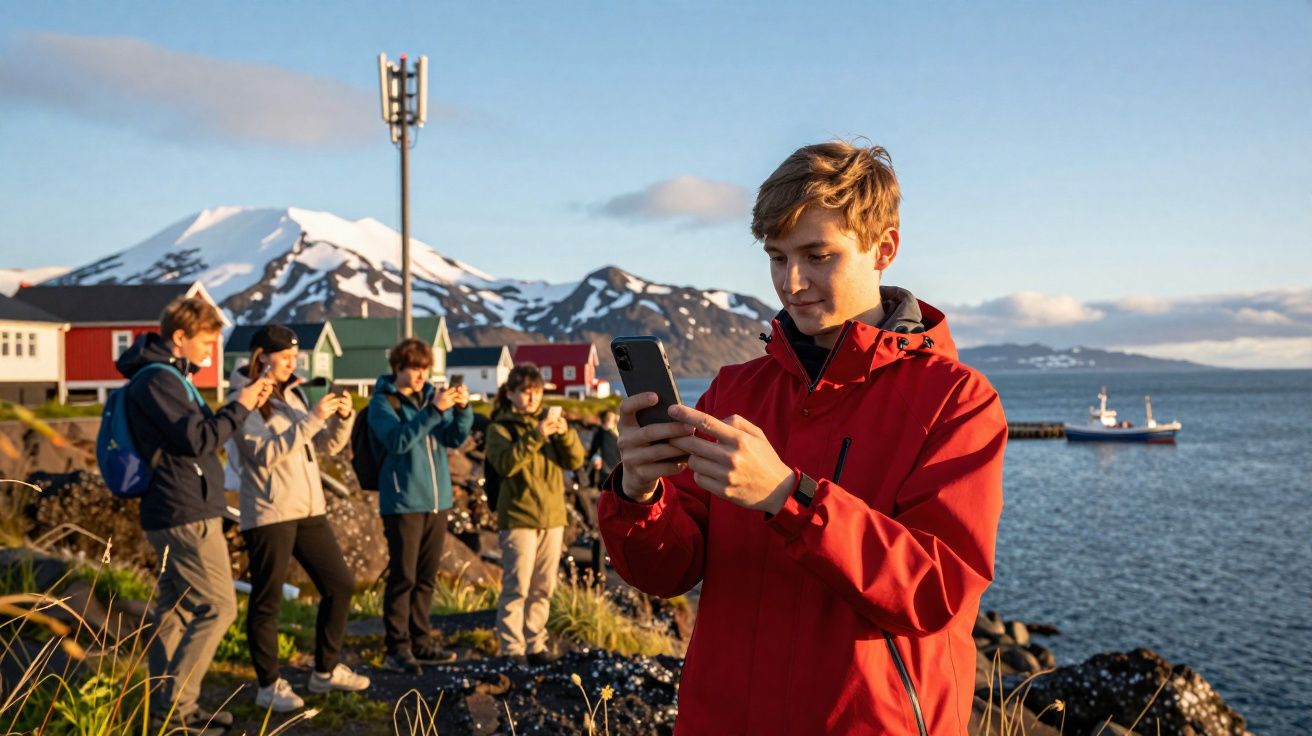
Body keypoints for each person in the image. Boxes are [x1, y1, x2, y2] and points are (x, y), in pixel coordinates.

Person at [598, 141, 1008, 734]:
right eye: (776, 257)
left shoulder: (957, 400)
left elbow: (937, 591)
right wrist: (638, 493)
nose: (792, 283)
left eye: (818, 256)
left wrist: (788, 498)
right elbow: (666, 573)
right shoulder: (735, 390)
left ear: (883, 248)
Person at [115, 297, 273, 735]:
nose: (211, 349)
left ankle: (167, 707)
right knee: (219, 607)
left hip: (177, 508)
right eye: (206, 340)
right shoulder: (158, 381)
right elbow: (197, 440)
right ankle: (176, 714)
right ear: (179, 338)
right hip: (183, 511)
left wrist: (237, 406)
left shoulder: (168, 377)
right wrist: (238, 407)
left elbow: (197, 437)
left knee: (178, 610)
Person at [226, 325, 368, 712]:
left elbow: (324, 446)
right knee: (267, 600)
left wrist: (341, 417)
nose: (293, 363)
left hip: (308, 509)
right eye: (285, 357)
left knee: (339, 585)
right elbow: (264, 455)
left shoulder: (293, 393)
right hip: (270, 513)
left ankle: (324, 672)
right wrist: (313, 419)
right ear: (262, 356)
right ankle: (268, 685)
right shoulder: (243, 397)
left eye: (295, 357)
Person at [368, 338, 473, 673]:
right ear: (397, 367)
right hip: (402, 502)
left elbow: (454, 438)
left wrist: (462, 410)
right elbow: (398, 441)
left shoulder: (430, 397)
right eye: (413, 367)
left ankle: (421, 642)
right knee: (404, 577)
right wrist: (433, 411)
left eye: (424, 368)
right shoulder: (383, 403)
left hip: (437, 501)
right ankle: (396, 649)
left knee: (426, 577)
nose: (420, 374)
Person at [485, 364, 585, 665]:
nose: (532, 399)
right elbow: (506, 465)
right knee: (517, 587)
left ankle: (535, 644)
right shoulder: (499, 428)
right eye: (526, 393)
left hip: (553, 518)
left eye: (537, 392)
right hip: (518, 518)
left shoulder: (549, 425)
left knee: (543, 587)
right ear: (511, 394)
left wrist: (564, 434)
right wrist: (536, 435)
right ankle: (512, 649)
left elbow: (576, 459)